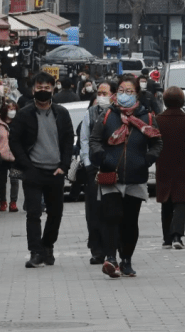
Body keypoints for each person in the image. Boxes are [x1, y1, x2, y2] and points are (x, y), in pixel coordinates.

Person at [89, 74, 163, 278]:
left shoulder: (147, 118)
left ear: (137, 94)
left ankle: (127, 260)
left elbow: (157, 142)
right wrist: (101, 156)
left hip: (135, 176)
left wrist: (147, 159)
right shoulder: (106, 116)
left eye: (129, 91)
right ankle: (110, 258)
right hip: (109, 176)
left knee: (130, 221)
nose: (124, 95)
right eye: (121, 91)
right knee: (111, 217)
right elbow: (95, 140)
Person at [9, 71, 76, 268]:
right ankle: (35, 251)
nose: (43, 91)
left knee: (55, 213)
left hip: (55, 172)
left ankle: (48, 246)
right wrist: (26, 165)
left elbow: (67, 141)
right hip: (34, 171)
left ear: (53, 89)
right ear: (33, 90)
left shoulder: (61, 113)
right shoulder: (24, 114)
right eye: (39, 87)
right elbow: (15, 141)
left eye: (47, 87)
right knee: (33, 213)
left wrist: (64, 166)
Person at [155, 86, 185, 250]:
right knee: (180, 202)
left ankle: (166, 237)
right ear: (182, 101)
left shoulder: (157, 120)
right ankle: (177, 236)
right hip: (183, 166)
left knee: (166, 202)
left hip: (164, 165)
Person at [79, 80, 116, 264]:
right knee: (94, 211)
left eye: (105, 93)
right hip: (94, 169)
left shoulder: (119, 114)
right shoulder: (90, 114)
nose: (101, 96)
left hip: (114, 168)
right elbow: (84, 140)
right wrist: (88, 164)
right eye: (99, 93)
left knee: (111, 210)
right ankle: (96, 250)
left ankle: (112, 249)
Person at [0, 100, 20, 212]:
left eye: (14, 109)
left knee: (15, 179)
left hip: (15, 156)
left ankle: (13, 202)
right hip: (2, 156)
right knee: (2, 180)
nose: (12, 111)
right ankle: (2, 202)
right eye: (10, 109)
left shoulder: (19, 122)